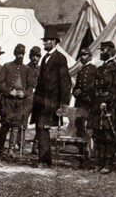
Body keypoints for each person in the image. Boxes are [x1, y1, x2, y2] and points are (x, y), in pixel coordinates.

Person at [31, 26, 72, 168]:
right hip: (41, 102)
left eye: (47, 41)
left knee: (43, 129)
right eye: (44, 41)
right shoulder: (44, 58)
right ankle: (44, 159)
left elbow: (65, 81)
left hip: (52, 102)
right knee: (41, 128)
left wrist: (64, 102)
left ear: (54, 42)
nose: (44, 43)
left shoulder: (60, 58)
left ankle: (44, 160)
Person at [87, 41, 116, 174]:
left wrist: (107, 102)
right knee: (98, 134)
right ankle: (99, 162)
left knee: (108, 135)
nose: (100, 53)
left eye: (103, 50)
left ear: (110, 51)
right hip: (97, 103)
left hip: (108, 105)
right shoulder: (100, 68)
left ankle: (108, 163)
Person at [0, 44, 28, 158]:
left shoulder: (25, 68)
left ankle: (11, 149)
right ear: (15, 54)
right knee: (5, 124)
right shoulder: (7, 66)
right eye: (18, 53)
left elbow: (30, 87)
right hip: (8, 101)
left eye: (22, 54)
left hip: (20, 102)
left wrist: (24, 93)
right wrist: (9, 91)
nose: (20, 56)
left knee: (16, 126)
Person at [72, 47, 96, 139]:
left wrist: (86, 93)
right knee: (79, 124)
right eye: (81, 55)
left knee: (88, 125)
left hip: (88, 102)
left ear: (90, 57)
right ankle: (81, 146)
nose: (82, 57)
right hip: (80, 102)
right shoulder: (80, 70)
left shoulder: (94, 69)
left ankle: (88, 148)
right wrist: (75, 92)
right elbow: (77, 86)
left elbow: (94, 86)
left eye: (85, 55)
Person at [24, 46, 41, 154]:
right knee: (23, 121)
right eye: (33, 56)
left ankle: (36, 146)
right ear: (30, 56)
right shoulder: (25, 68)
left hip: (38, 98)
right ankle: (20, 144)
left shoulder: (41, 69)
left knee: (39, 123)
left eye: (37, 56)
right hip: (28, 98)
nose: (35, 58)